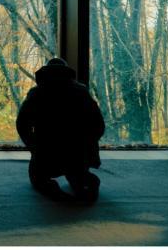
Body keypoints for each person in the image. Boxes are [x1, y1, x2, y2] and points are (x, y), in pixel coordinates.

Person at [16, 57, 105, 202]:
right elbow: (98, 125)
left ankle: (57, 192)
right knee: (78, 175)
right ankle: (86, 183)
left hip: (47, 153)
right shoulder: (82, 93)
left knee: (38, 179)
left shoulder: (36, 93)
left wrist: (34, 148)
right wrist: (87, 146)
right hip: (78, 154)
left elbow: (22, 124)